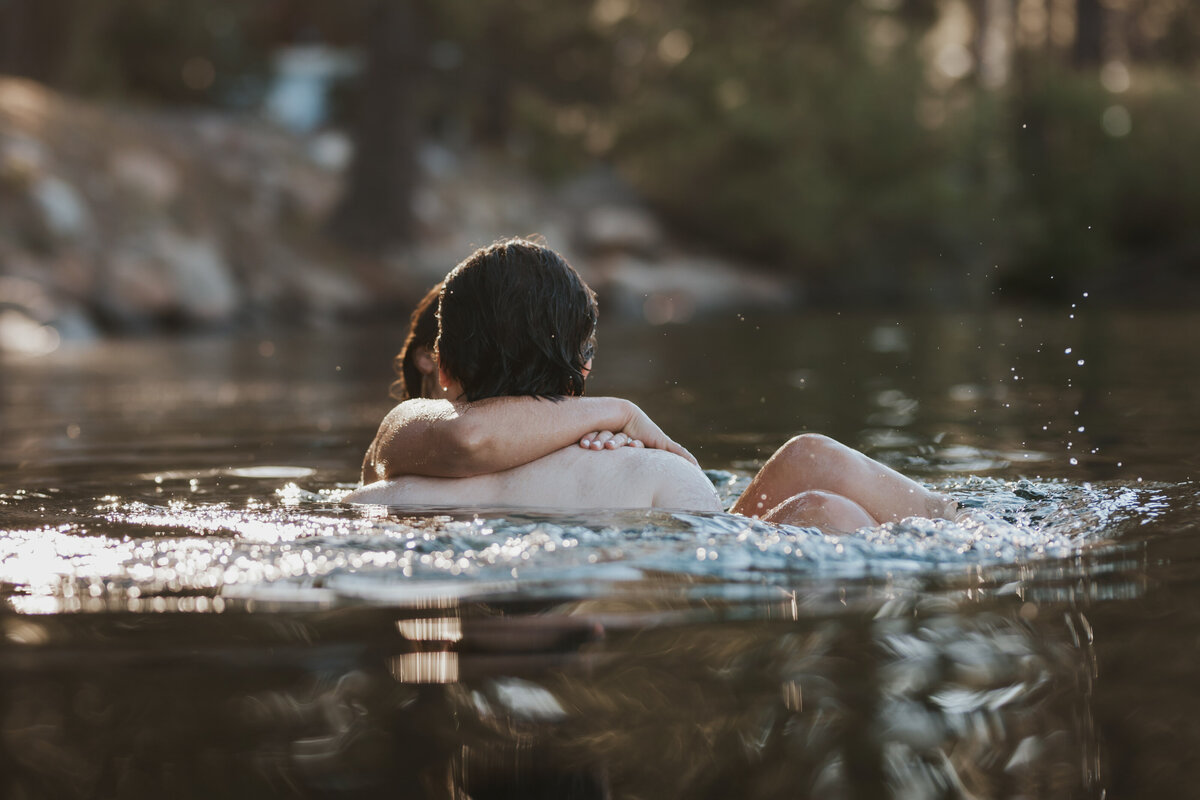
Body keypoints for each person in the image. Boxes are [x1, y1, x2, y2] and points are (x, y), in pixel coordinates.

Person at [348, 239, 956, 532]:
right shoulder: (651, 471)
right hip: (687, 548)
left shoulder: (390, 468)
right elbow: (474, 439)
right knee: (824, 500)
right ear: (579, 368)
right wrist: (616, 417)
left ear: (443, 368)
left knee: (813, 475)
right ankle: (970, 530)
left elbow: (470, 439)